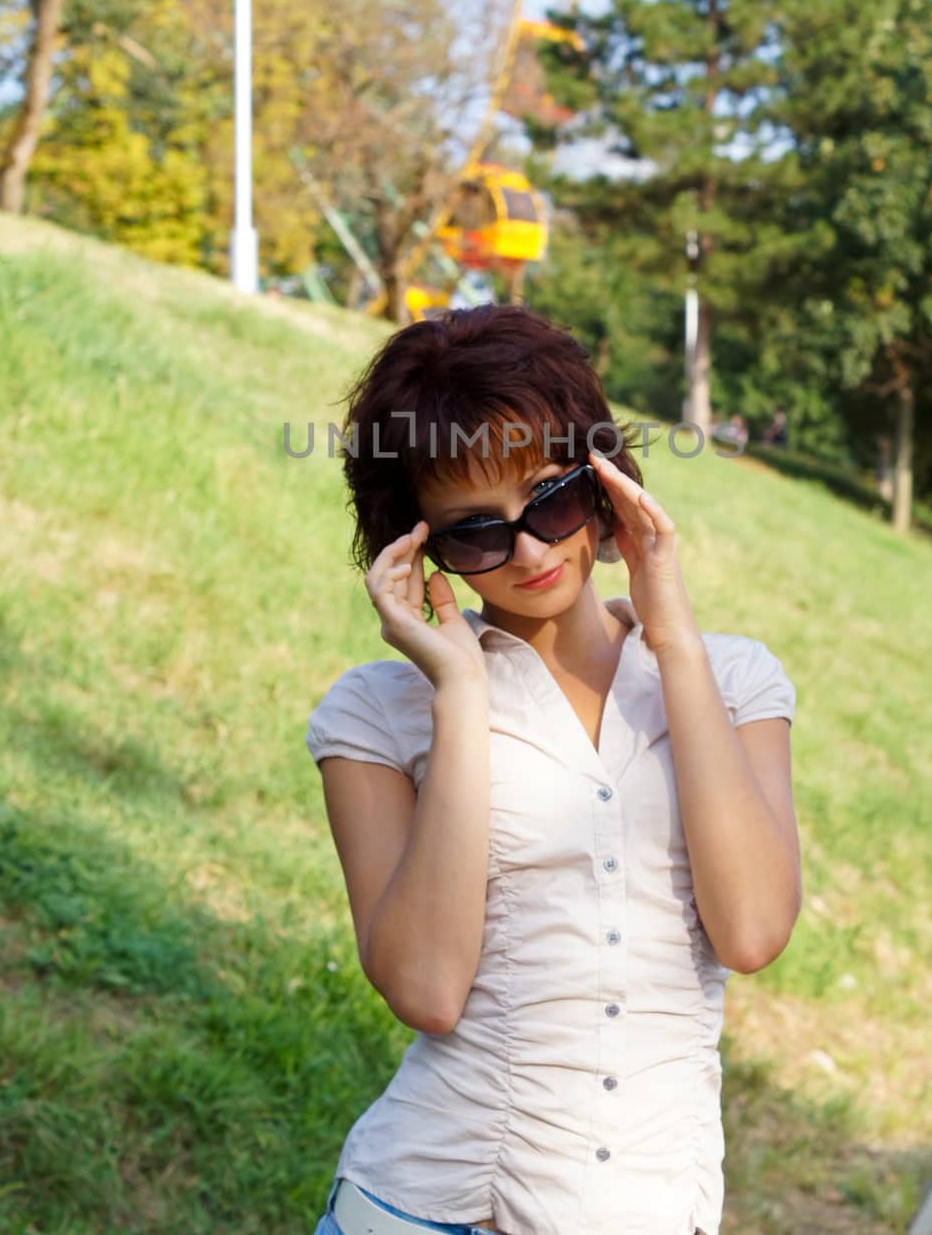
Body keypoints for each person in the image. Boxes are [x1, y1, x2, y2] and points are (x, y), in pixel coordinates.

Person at [305, 304, 801, 1235]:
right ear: (420, 548)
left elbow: (751, 931)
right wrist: (458, 691)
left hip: (656, 1205)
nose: (528, 549)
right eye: (475, 531)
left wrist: (675, 638)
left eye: (550, 496)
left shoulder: (733, 680)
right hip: (428, 1206)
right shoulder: (376, 714)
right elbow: (425, 989)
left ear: (602, 480)